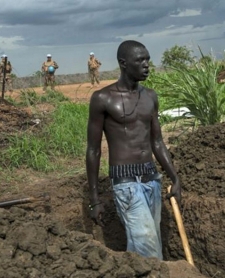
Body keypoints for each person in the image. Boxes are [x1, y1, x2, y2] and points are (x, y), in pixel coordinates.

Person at [86, 40, 181, 260]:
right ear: (124, 63)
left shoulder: (150, 96)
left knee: (149, 243)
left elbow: (157, 142)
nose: (147, 64)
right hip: (126, 183)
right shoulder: (103, 98)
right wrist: (94, 199)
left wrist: (174, 177)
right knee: (148, 249)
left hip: (152, 179)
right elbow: (93, 150)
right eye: (140, 60)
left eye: (147, 59)